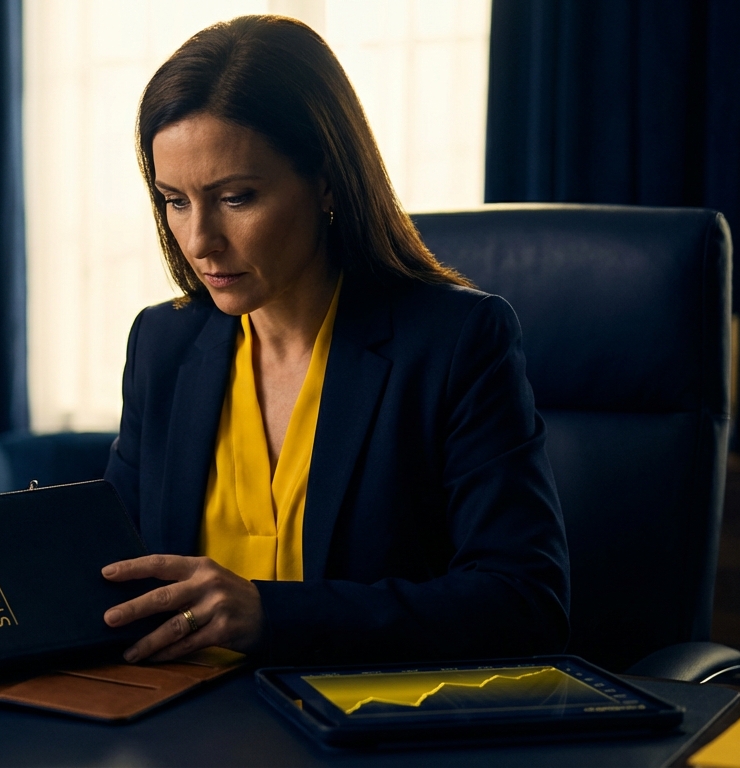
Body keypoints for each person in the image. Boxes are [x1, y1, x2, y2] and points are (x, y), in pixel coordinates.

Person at [100, 15, 570, 666]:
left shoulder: (456, 342)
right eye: (174, 201)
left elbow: (524, 603)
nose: (199, 239)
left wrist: (269, 615)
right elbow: (119, 572)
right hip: (180, 725)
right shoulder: (163, 341)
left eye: (235, 197)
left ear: (326, 181)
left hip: (360, 735)